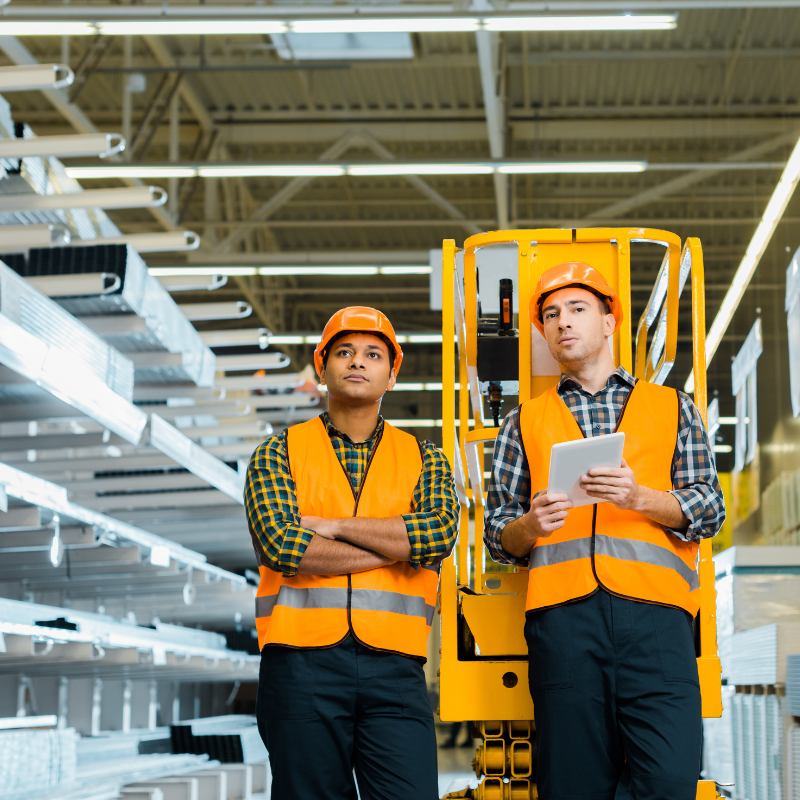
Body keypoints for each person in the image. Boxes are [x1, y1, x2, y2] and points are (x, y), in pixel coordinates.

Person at [484, 263, 725, 800]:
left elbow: (710, 508)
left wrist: (640, 497)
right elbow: (498, 535)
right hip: (564, 625)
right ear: (543, 334)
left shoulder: (672, 407)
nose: (562, 322)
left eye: (577, 309)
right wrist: (529, 524)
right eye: (550, 315)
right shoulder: (522, 422)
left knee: (668, 781)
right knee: (573, 787)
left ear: (610, 320)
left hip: (657, 623)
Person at [245, 306, 459, 800]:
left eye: (371, 353)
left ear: (392, 373)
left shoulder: (424, 457)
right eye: (343, 352)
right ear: (322, 368)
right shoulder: (277, 453)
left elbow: (438, 536)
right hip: (300, 667)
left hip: (396, 668)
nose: (357, 362)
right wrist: (397, 547)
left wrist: (336, 527)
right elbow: (283, 544)